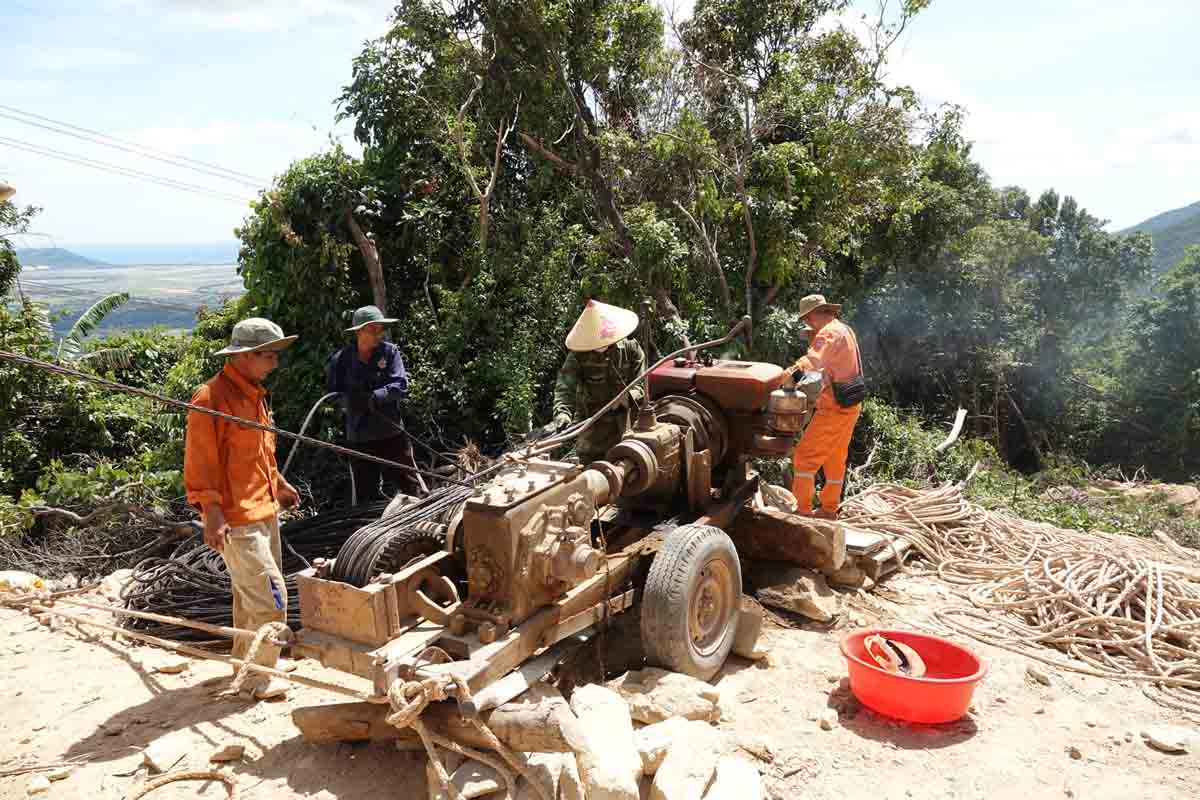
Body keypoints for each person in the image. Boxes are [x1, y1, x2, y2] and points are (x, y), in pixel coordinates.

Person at [184, 317, 301, 700]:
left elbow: (259, 452)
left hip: (264, 509)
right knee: (271, 595)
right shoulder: (211, 399)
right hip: (237, 518)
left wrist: (279, 483)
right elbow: (201, 463)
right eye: (268, 356)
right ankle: (259, 679)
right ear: (246, 356)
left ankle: (247, 664)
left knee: (249, 597)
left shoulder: (255, 395)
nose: (274, 363)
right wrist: (212, 512)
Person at [326, 305, 425, 502]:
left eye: (381, 329)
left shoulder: (389, 353)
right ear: (359, 332)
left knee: (409, 485)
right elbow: (333, 394)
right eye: (373, 329)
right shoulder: (341, 359)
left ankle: (421, 522)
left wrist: (375, 397)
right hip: (360, 437)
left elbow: (400, 385)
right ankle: (371, 529)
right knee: (365, 493)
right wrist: (351, 402)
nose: (379, 334)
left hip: (391, 432)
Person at [787, 294, 864, 518]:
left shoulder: (828, 332)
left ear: (813, 315)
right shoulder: (844, 329)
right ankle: (829, 509)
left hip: (835, 408)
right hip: (849, 405)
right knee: (834, 459)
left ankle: (802, 511)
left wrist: (786, 376)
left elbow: (811, 362)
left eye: (807, 320)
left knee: (804, 457)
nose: (808, 324)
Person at [551, 300, 647, 464]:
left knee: (631, 468)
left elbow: (642, 380)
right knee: (592, 475)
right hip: (592, 427)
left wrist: (627, 397)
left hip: (627, 423)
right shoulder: (578, 357)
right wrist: (562, 413)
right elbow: (565, 388)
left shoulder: (631, 349)